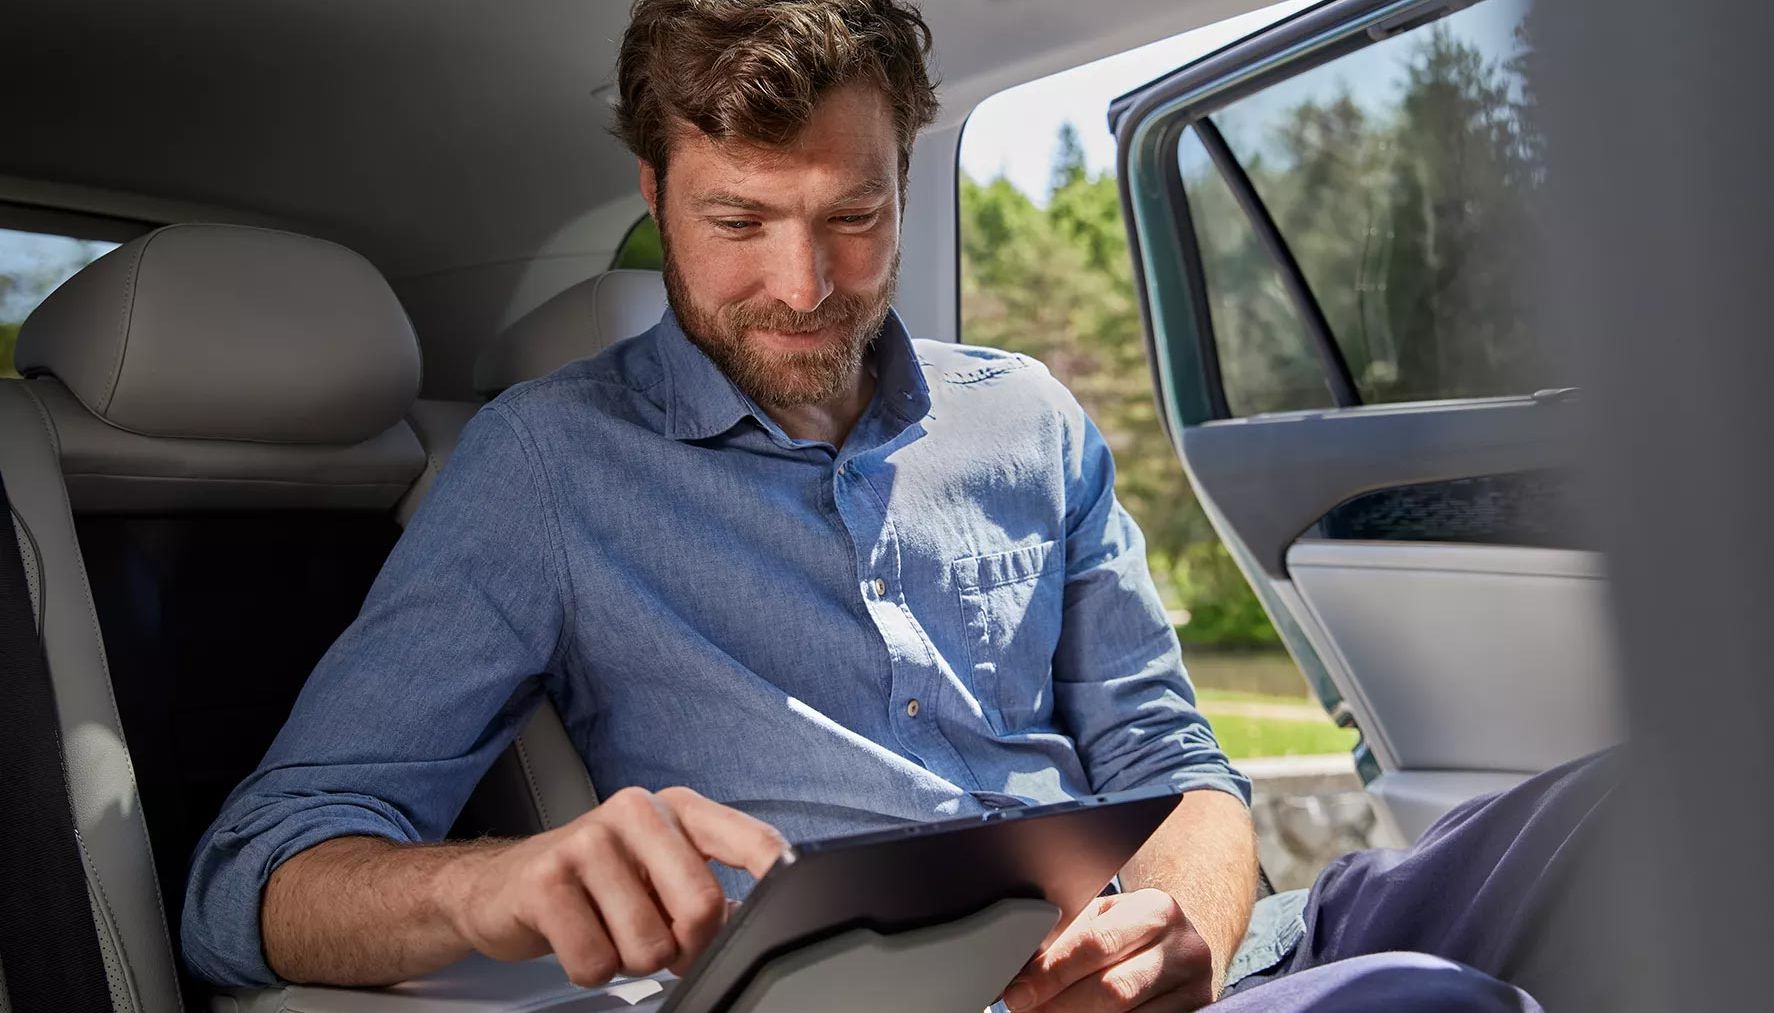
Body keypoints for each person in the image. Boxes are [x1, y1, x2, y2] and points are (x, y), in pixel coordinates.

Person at [183, 2, 1609, 1009]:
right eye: (739, 221)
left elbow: (1186, 776)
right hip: (920, 996)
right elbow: (246, 886)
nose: (806, 289)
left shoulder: (1028, 416)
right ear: (655, 191)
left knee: (1657, 802)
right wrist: (492, 886)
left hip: (1214, 956)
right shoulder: (546, 466)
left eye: (852, 218)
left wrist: (1190, 926)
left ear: (906, 180)